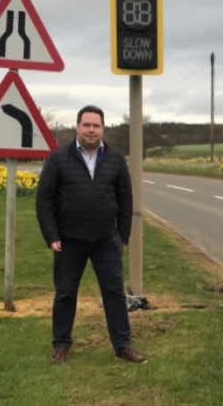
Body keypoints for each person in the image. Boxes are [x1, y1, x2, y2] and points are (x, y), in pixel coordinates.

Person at [36, 105, 147, 364]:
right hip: (69, 240)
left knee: (114, 293)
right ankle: (61, 346)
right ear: (77, 127)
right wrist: (51, 235)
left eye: (96, 125)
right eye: (86, 125)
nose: (91, 130)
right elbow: (44, 200)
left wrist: (123, 237)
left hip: (106, 239)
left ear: (103, 129)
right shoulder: (58, 158)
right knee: (65, 293)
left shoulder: (116, 159)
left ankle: (123, 346)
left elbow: (126, 200)